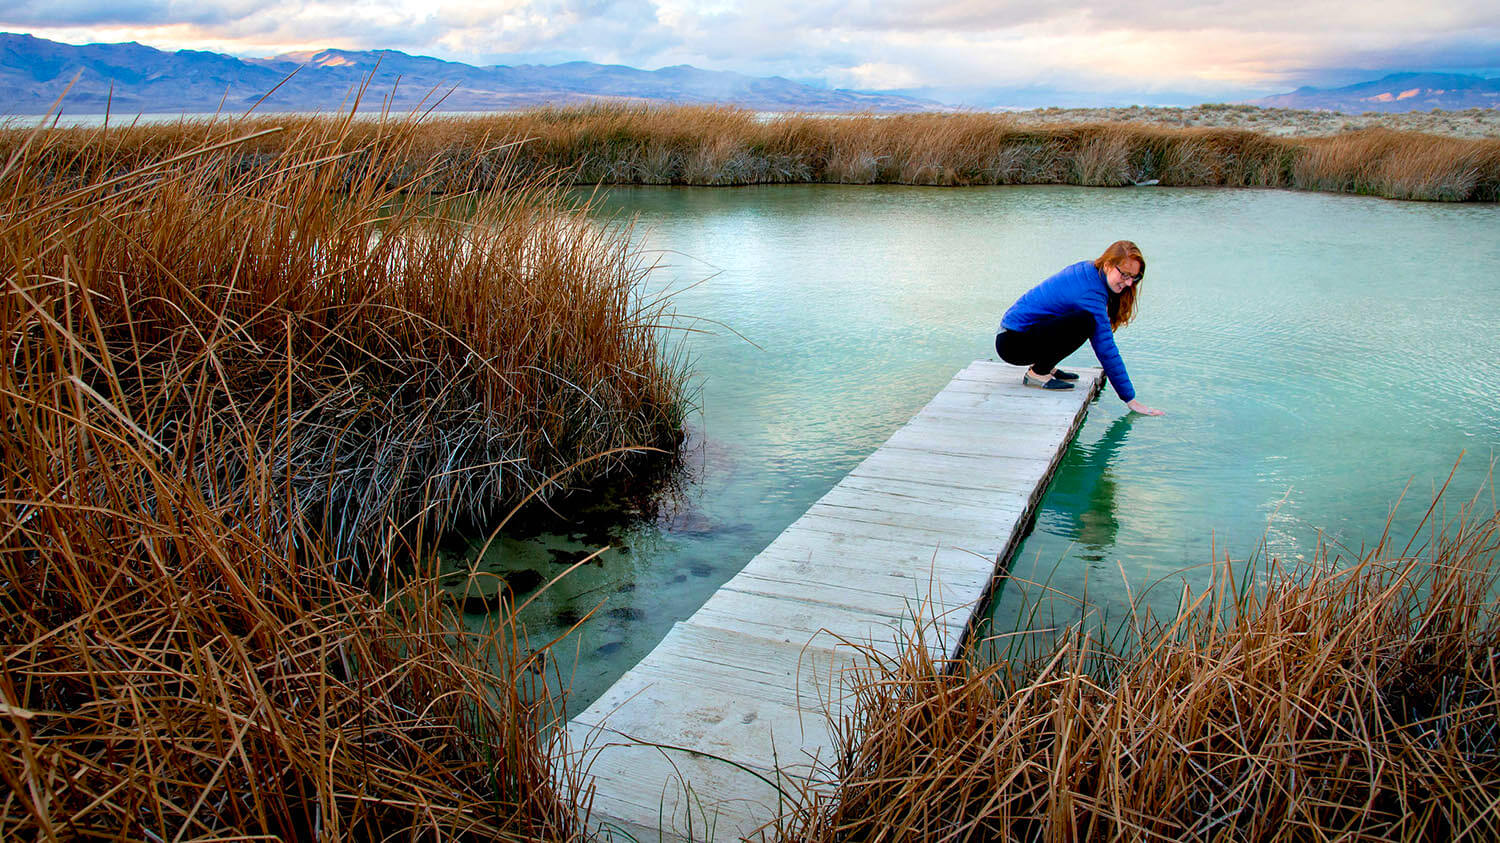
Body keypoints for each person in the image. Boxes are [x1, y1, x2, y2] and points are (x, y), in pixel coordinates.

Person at [994, 240, 1164, 416]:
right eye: (1124, 275)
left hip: (1014, 336)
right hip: (1013, 344)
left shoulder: (1090, 271)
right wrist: (1130, 399)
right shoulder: (1091, 293)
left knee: (1081, 319)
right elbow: (1106, 348)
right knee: (1086, 322)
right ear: (1107, 265)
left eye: (1134, 277)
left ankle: (1045, 366)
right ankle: (1038, 373)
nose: (1129, 283)